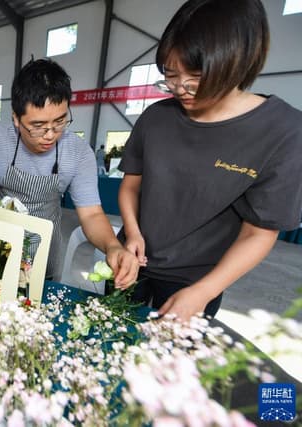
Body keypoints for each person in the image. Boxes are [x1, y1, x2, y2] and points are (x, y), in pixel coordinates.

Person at [118, 0, 302, 321]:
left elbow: (259, 232)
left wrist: (203, 291)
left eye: (197, 76)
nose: (181, 89)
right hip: (132, 258)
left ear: (238, 62)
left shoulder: (283, 132)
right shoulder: (156, 118)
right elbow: (131, 186)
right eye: (171, 76)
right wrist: (132, 233)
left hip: (197, 278)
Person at [0, 58, 139, 284]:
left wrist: (113, 246)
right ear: (16, 118)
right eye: (38, 126)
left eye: (60, 121)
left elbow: (91, 213)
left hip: (44, 249)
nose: (50, 134)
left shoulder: (78, 152)